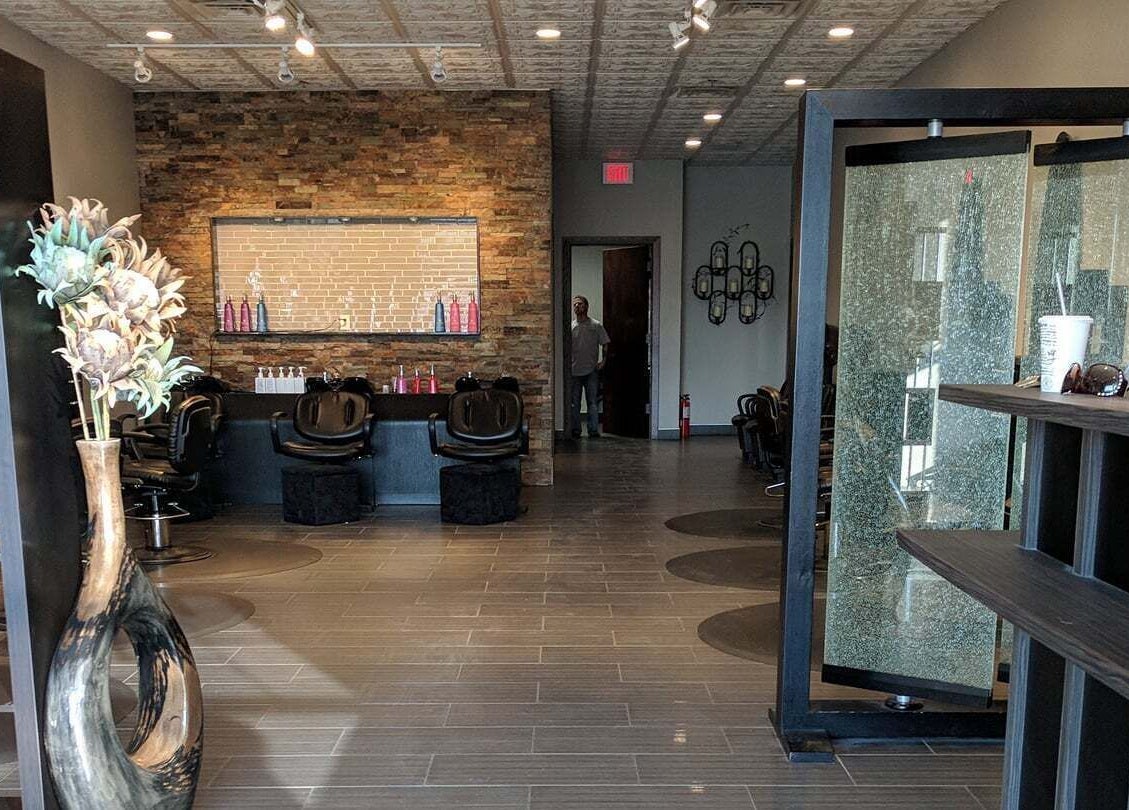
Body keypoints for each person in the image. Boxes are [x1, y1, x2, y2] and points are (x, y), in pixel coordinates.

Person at [570, 295, 610, 439]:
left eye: (579, 304)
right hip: (574, 370)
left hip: (591, 370)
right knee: (575, 403)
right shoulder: (572, 327)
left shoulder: (595, 325)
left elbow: (605, 343)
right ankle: (575, 430)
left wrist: (603, 361)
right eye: (574, 304)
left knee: (592, 402)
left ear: (586, 306)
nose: (576, 307)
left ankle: (593, 430)